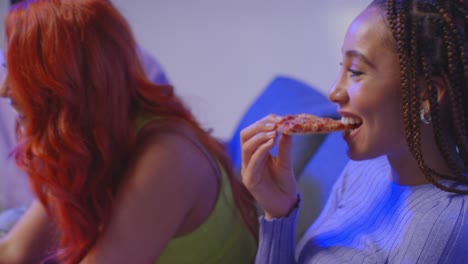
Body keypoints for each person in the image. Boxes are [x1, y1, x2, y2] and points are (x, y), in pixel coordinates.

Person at [0, 0, 258, 263]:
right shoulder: (95, 134)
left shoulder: (169, 155)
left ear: (67, 78)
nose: (4, 89)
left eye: (19, 73)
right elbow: (14, 252)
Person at [241, 0, 468, 263]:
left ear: (425, 93)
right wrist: (279, 212)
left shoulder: (438, 235)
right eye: (342, 68)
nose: (334, 92)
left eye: (356, 72)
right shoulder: (365, 169)